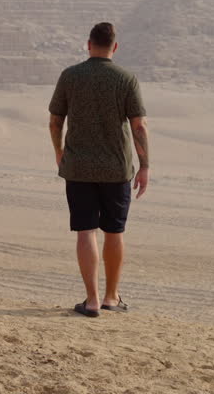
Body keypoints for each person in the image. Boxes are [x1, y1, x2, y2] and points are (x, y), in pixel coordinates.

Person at [48, 22, 150, 317]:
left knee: (85, 231)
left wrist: (59, 152)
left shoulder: (70, 76)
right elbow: (139, 126)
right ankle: (111, 297)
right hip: (116, 168)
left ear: (88, 44)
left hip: (78, 167)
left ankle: (91, 301)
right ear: (114, 47)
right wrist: (145, 166)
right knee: (114, 232)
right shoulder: (126, 79)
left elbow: (55, 121)